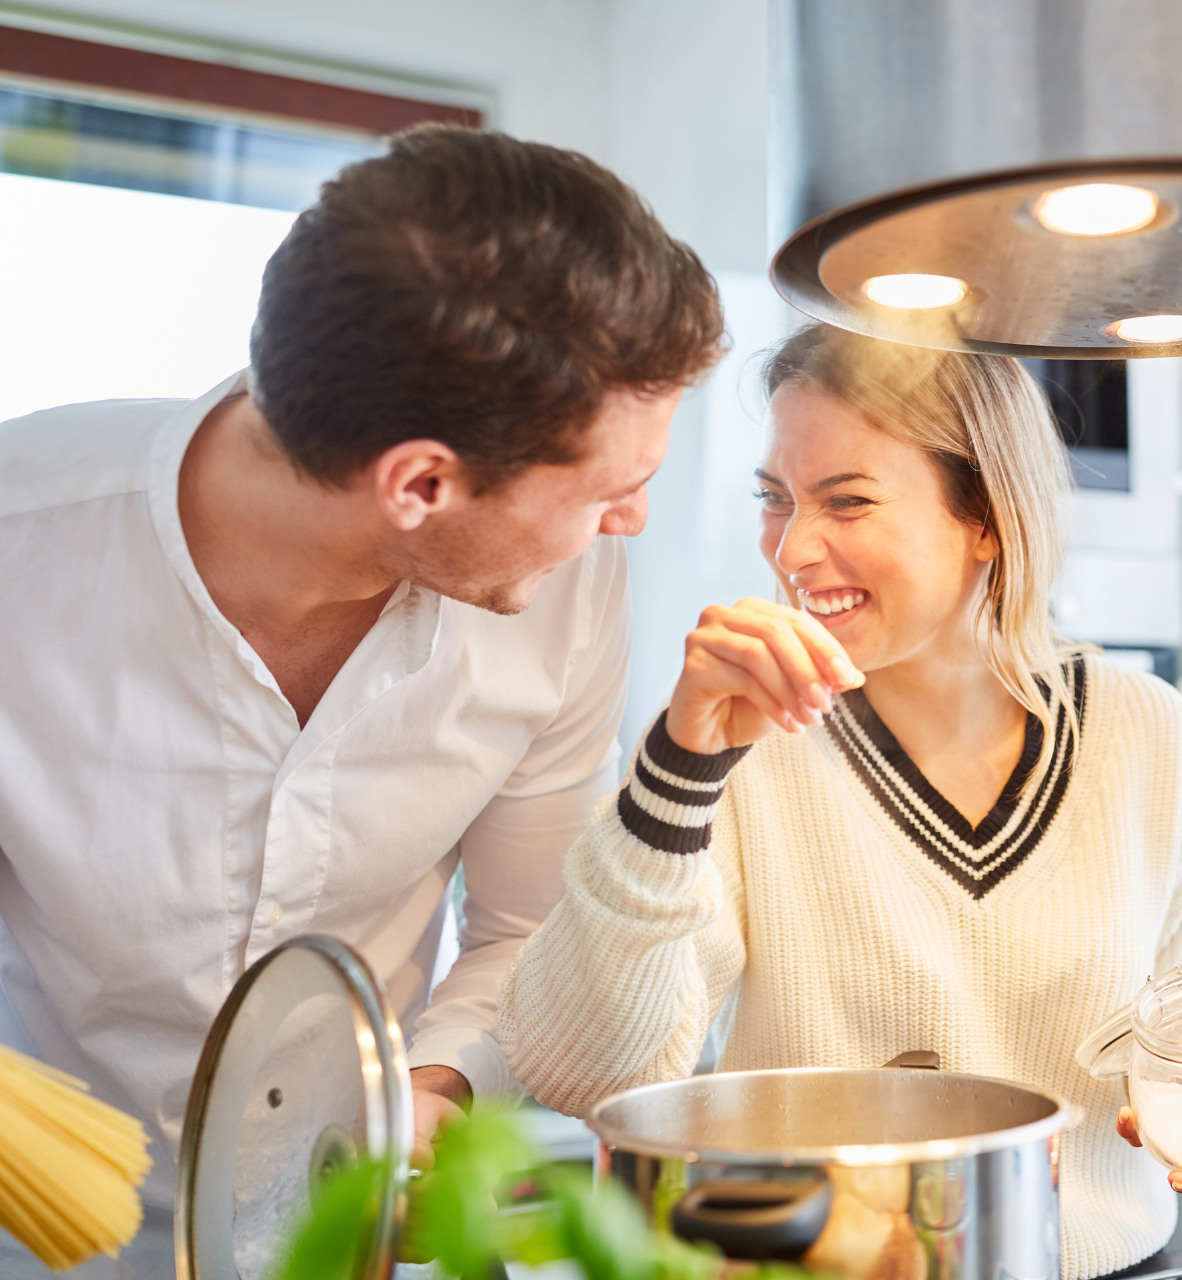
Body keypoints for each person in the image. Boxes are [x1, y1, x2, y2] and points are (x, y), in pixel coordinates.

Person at [0, 125, 723, 1271]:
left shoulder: (570, 591)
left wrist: (431, 1089)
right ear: (420, 482)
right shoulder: (19, 547)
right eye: (613, 488)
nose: (629, 520)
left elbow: (525, 927)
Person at [498, 324, 1182, 1280]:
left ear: (987, 518)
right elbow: (582, 1071)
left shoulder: (1146, 732)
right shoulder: (738, 743)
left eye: (846, 501)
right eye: (775, 499)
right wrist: (676, 772)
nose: (792, 548)